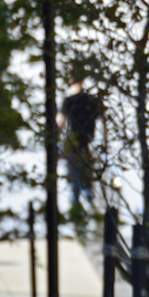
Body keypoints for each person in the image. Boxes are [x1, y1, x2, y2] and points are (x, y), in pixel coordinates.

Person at [57, 73, 103, 208]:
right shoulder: (87, 100)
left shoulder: (80, 101)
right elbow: (61, 123)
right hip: (79, 144)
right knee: (80, 180)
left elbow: (60, 124)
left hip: (82, 144)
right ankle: (82, 207)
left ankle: (84, 206)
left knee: (81, 180)